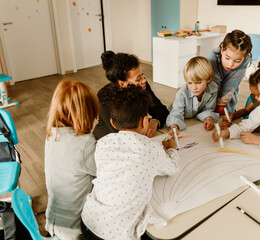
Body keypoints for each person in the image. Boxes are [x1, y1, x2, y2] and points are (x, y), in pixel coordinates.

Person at [81, 84, 180, 240]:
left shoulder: (102, 144)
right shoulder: (150, 149)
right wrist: (171, 149)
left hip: (89, 221)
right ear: (144, 121)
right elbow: (173, 167)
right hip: (117, 234)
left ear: (113, 123)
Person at [44, 80, 99, 240]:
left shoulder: (51, 135)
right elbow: (104, 170)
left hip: (53, 222)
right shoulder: (85, 144)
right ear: (87, 114)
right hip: (77, 230)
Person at [93, 51, 169, 139]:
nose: (144, 80)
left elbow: (161, 110)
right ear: (122, 84)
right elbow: (121, 132)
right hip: (106, 142)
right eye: (138, 78)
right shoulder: (104, 96)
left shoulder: (142, 86)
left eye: (142, 75)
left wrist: (155, 121)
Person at [166, 56, 219, 135]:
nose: (194, 88)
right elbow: (176, 113)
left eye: (198, 82)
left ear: (208, 79)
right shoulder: (181, 94)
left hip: (194, 118)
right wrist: (174, 126)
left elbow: (209, 108)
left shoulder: (213, 89)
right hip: (178, 114)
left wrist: (208, 118)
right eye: (189, 83)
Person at [220, 58, 260, 131]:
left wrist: (233, 127)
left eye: (257, 95)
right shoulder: (257, 97)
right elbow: (246, 110)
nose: (256, 98)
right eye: (253, 94)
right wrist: (233, 115)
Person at [207, 29, 252, 114]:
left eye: (237, 61)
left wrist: (221, 110)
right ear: (222, 50)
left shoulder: (245, 60)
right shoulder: (212, 58)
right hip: (210, 98)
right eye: (227, 58)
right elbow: (213, 85)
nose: (230, 64)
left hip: (228, 99)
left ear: (244, 57)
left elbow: (230, 87)